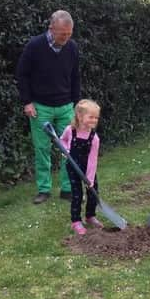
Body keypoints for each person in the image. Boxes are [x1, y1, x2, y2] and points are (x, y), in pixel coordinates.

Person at [16, 10, 81, 204]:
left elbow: (75, 77)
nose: (66, 38)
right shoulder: (34, 46)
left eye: (69, 34)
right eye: (63, 34)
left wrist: (76, 105)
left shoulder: (72, 47)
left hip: (66, 107)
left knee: (69, 149)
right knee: (42, 149)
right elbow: (22, 75)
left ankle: (67, 189)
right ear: (51, 28)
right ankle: (44, 189)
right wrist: (27, 102)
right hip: (40, 107)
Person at [59, 99, 103, 235]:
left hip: (88, 168)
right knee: (77, 194)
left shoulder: (94, 138)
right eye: (91, 117)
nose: (94, 120)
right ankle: (76, 220)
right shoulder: (70, 131)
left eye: (96, 118)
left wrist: (89, 179)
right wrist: (65, 150)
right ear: (79, 116)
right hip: (72, 167)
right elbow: (62, 140)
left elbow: (92, 160)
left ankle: (90, 216)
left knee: (93, 192)